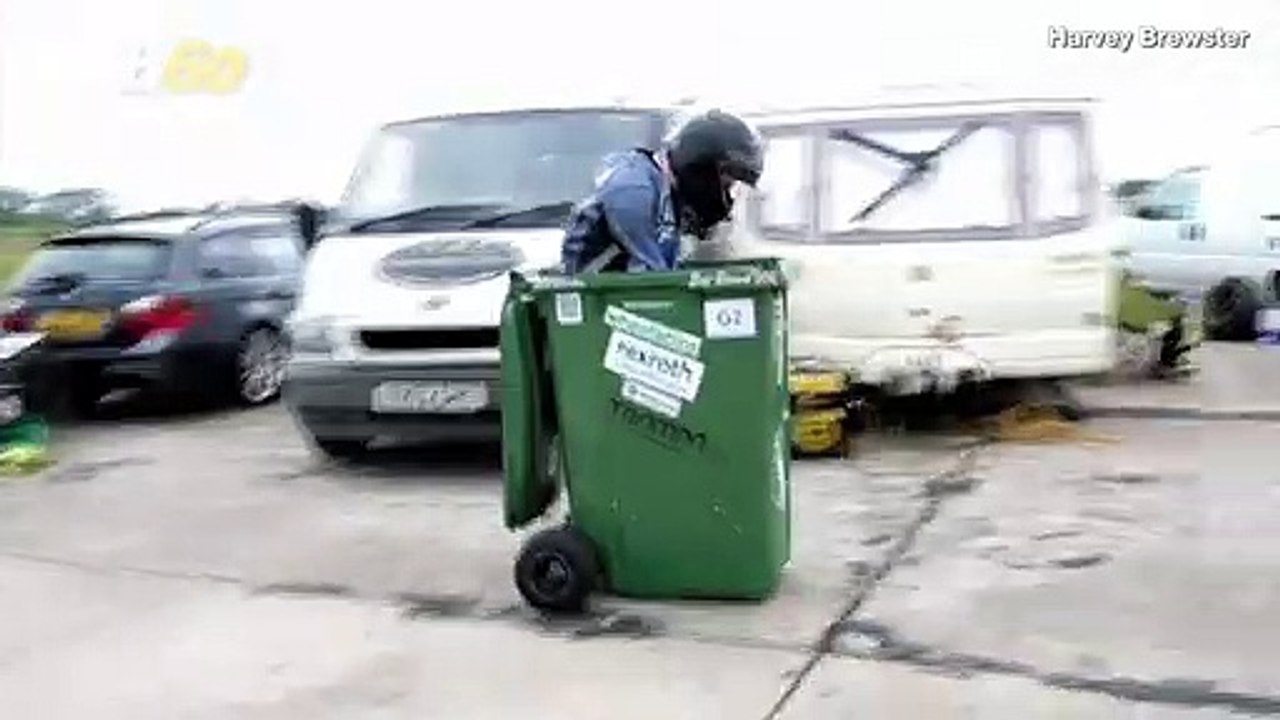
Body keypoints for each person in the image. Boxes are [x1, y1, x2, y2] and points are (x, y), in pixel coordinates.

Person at [560, 109, 763, 274]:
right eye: (727, 181)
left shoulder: (665, 193)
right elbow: (653, 279)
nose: (726, 193)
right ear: (702, 164)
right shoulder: (634, 191)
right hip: (595, 298)